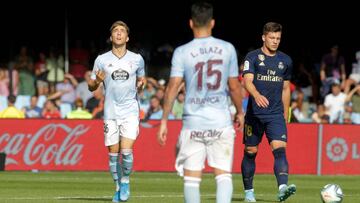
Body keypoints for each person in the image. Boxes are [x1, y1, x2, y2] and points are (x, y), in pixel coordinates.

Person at [157, 2, 244, 203]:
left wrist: (163, 120)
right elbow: (234, 87)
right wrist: (240, 111)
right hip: (220, 121)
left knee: (191, 179)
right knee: (223, 175)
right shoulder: (227, 48)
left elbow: (172, 88)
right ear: (212, 23)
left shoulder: (182, 51)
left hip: (193, 123)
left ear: (191, 23)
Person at [87, 20, 146, 202]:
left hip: (129, 111)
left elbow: (141, 79)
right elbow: (91, 86)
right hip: (110, 112)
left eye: (122, 31)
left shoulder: (137, 59)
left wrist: (141, 85)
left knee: (126, 151)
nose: (119, 33)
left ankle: (126, 181)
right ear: (111, 37)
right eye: (115, 31)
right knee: (113, 154)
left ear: (127, 37)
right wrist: (96, 81)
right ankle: (118, 186)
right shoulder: (101, 60)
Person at [241, 22, 296, 202]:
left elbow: (286, 89)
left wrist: (286, 112)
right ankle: (249, 192)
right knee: (250, 151)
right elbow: (247, 81)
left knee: (280, 149)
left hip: (275, 115)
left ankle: (282, 188)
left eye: (278, 38)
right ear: (264, 37)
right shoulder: (252, 57)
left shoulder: (285, 61)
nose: (275, 41)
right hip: (254, 115)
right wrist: (256, 94)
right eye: (272, 38)